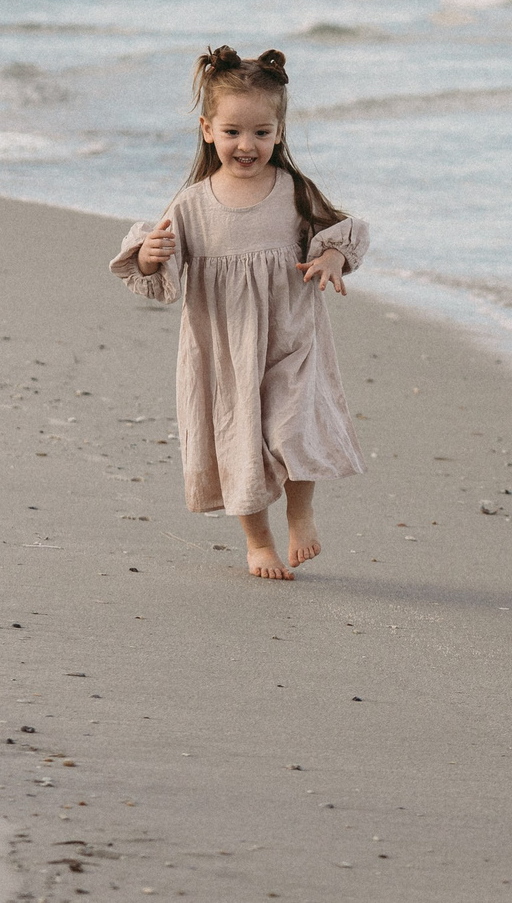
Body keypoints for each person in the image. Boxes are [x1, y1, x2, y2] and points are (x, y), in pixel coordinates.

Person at [111, 45, 367, 579]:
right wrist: (149, 254)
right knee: (240, 440)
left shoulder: (295, 192)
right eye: (232, 132)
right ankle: (257, 542)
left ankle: (301, 513)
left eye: (261, 132)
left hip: (291, 337)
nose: (246, 145)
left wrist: (331, 257)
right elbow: (156, 270)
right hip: (225, 349)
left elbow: (343, 231)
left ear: (279, 133)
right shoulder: (192, 204)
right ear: (208, 130)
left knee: (293, 427)